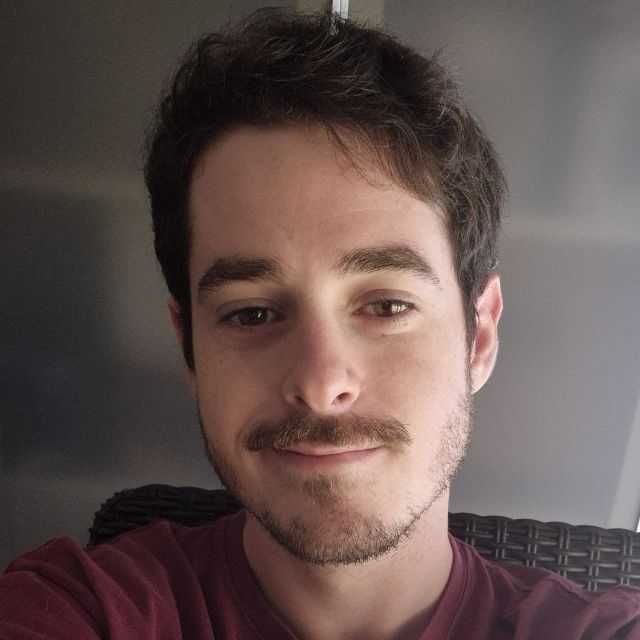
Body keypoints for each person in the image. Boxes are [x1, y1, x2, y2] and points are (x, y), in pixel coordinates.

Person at [1, 7, 639, 640]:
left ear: (480, 337)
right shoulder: (79, 609)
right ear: (188, 348)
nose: (320, 383)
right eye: (251, 313)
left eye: (386, 306)